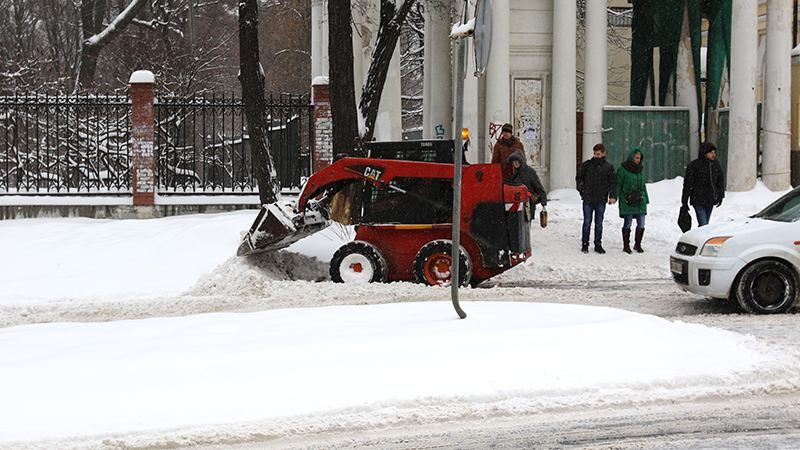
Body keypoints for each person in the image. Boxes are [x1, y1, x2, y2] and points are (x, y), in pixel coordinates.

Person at [576, 143, 617, 254]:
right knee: (587, 222)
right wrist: (582, 191)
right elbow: (579, 178)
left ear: (603, 153)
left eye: (598, 154)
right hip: (588, 198)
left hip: (600, 199)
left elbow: (613, 182)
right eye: (595, 154)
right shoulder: (587, 165)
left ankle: (598, 244)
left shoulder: (608, 167)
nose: (596, 156)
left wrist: (612, 196)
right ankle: (585, 244)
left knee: (599, 223)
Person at [681, 141, 725, 227]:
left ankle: (699, 237)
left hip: (710, 199)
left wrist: (720, 195)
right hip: (698, 199)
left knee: (705, 224)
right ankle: (701, 237)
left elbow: (720, 181)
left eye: (714, 152)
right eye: (711, 152)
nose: (713, 155)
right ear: (704, 153)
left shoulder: (716, 165)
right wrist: (684, 201)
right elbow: (687, 184)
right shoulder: (694, 165)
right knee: (704, 224)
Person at [616, 148, 649, 253]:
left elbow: (643, 186)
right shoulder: (623, 169)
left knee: (641, 224)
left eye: (639, 158)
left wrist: (646, 199)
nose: (638, 160)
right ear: (632, 157)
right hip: (628, 200)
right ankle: (626, 245)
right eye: (636, 158)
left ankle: (638, 244)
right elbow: (618, 184)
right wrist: (614, 196)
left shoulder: (640, 170)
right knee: (628, 223)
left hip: (640, 200)